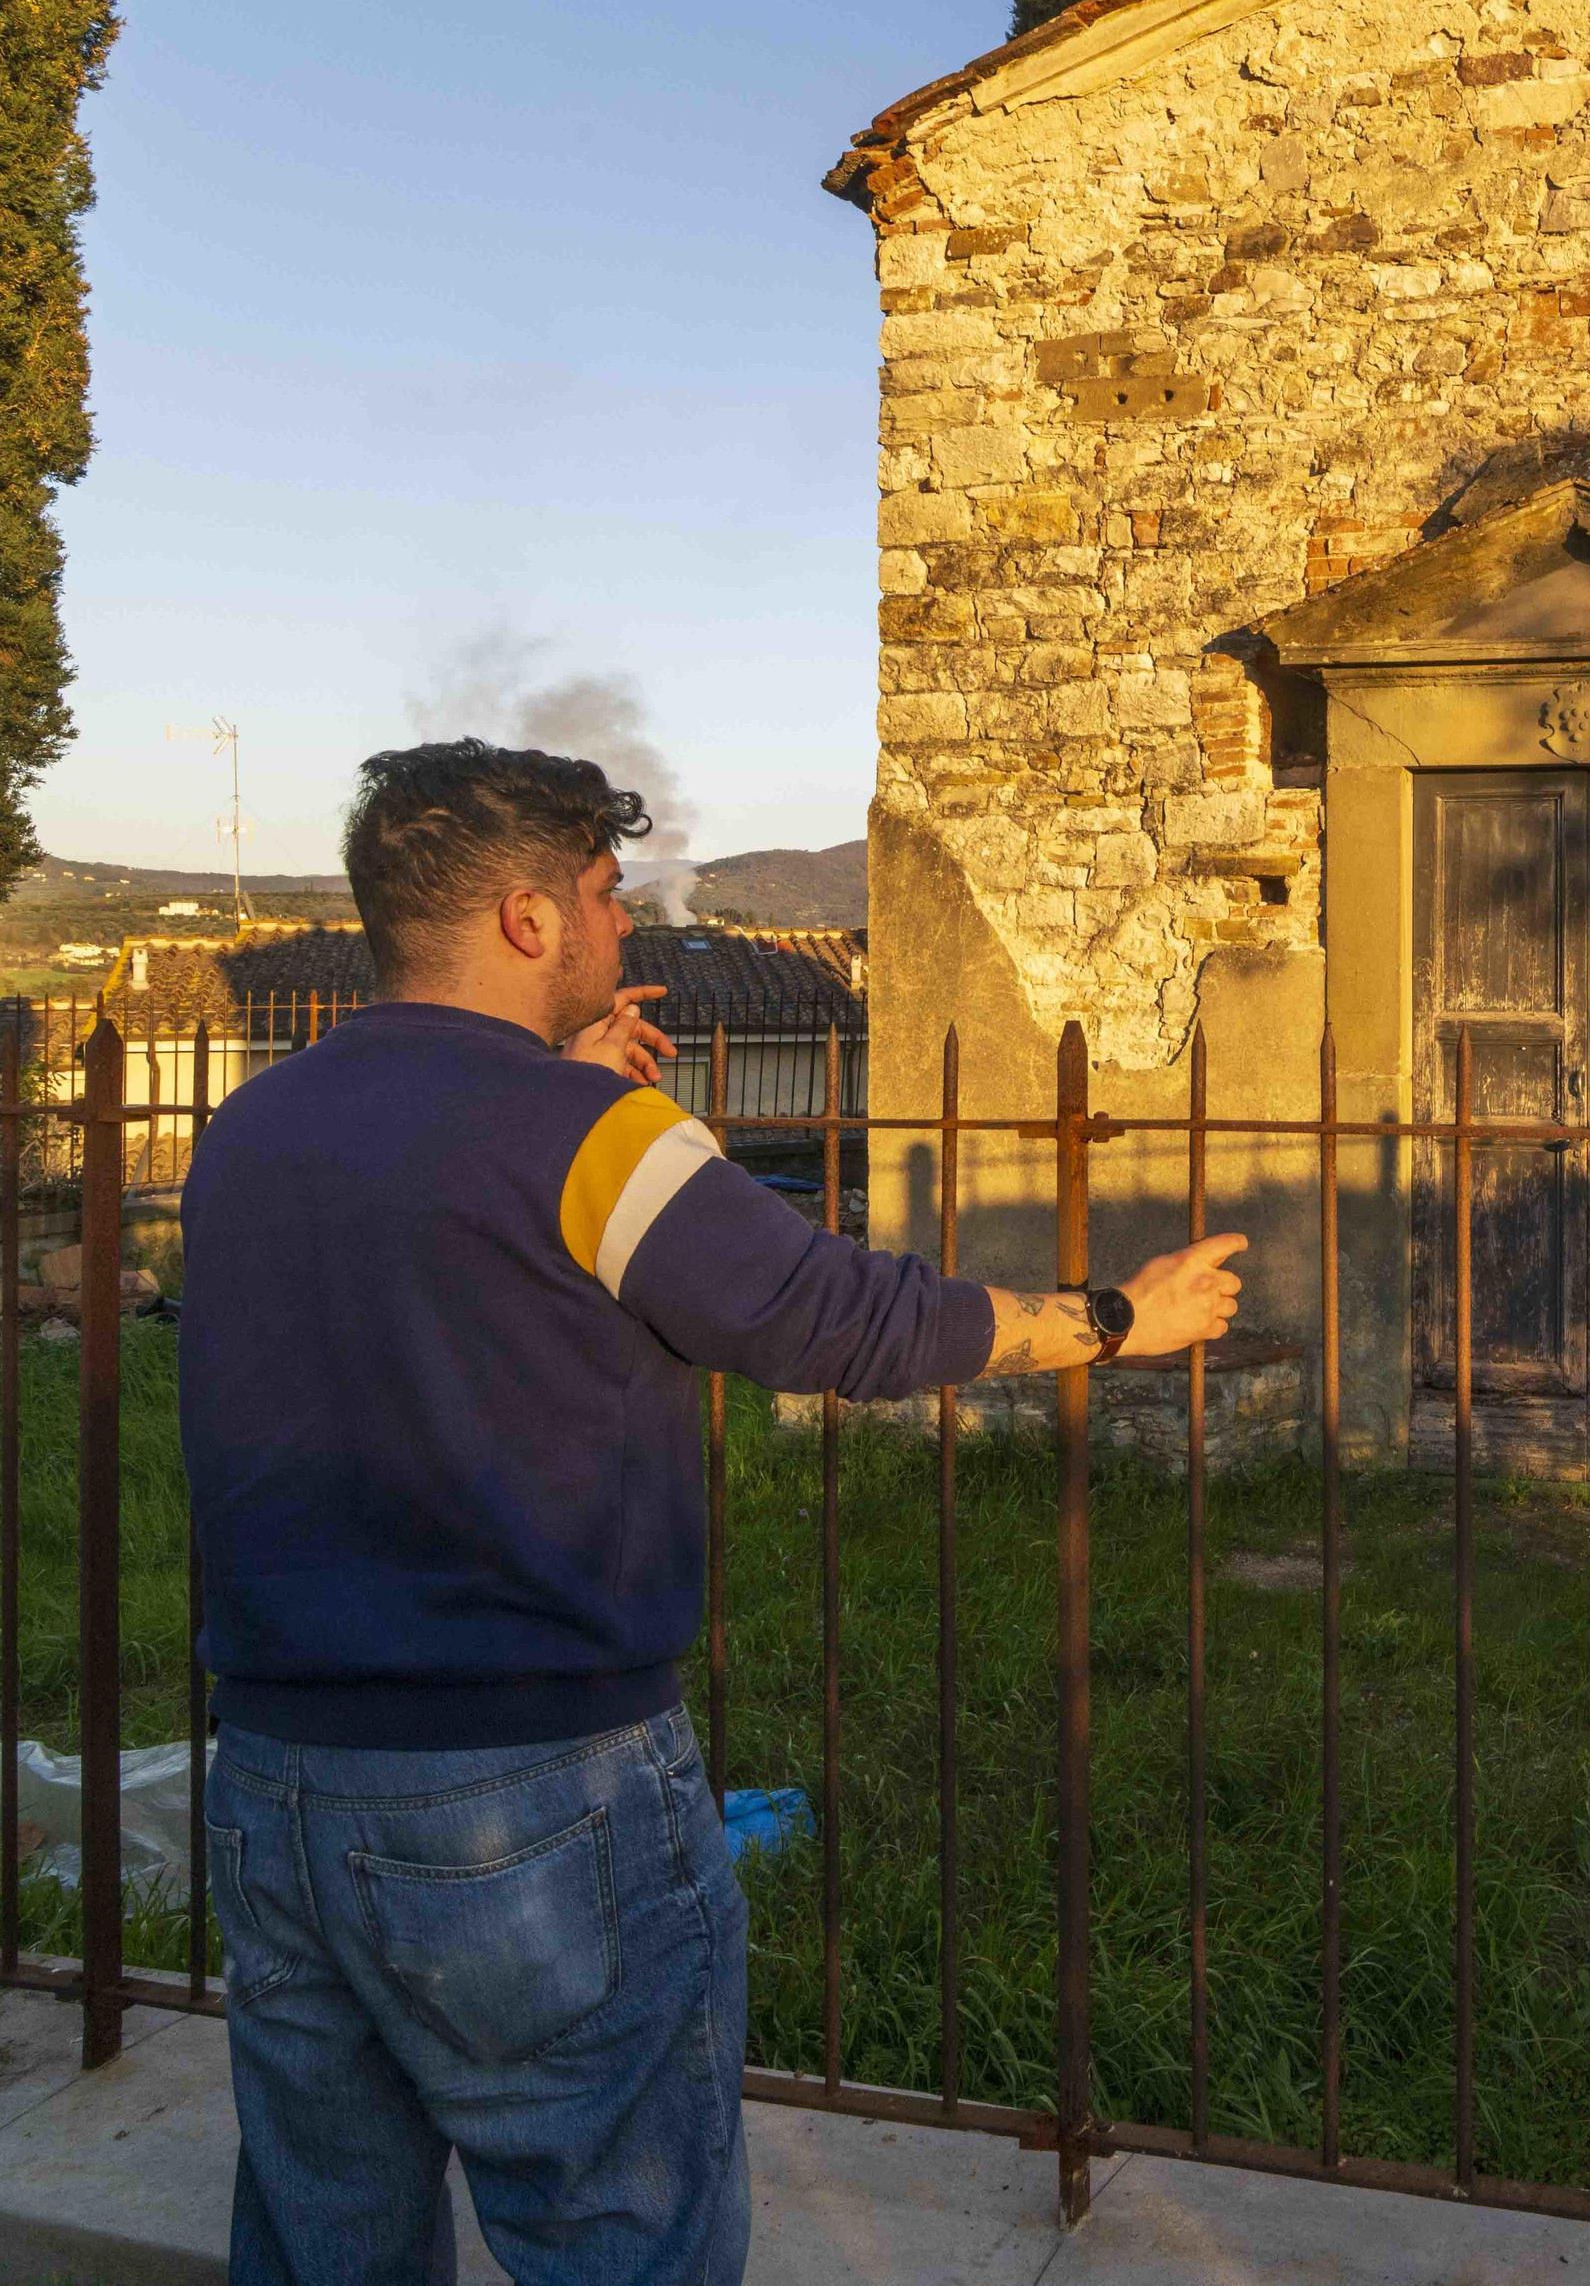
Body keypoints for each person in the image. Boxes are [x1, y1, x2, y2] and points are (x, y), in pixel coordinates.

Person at [178, 739, 1245, 2286]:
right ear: (531, 921)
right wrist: (1105, 1318)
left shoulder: (254, 1131)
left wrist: (560, 1096)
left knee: (324, 2239)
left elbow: (434, 1259)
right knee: (619, 2236)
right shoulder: (588, 1139)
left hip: (275, 1779)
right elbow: (837, 1319)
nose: (627, 936)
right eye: (607, 901)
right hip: (528, 1794)